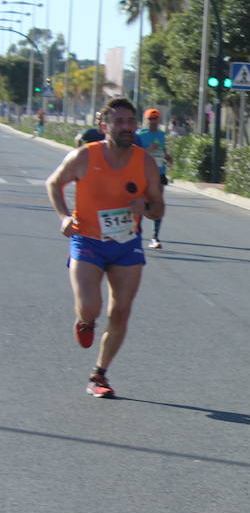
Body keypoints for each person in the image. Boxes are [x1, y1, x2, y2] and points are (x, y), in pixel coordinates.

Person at [44, 97, 165, 399]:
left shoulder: (144, 161)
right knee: (91, 307)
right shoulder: (85, 156)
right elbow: (53, 183)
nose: (127, 127)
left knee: (121, 312)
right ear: (104, 125)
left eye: (130, 122)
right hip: (87, 241)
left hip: (126, 244)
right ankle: (85, 321)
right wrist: (63, 217)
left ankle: (99, 374)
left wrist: (146, 205)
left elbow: (159, 209)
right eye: (119, 122)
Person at [135, 109, 174, 249]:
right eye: (150, 118)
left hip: (159, 173)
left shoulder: (161, 135)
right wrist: (149, 149)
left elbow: (163, 151)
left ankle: (155, 237)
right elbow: (135, 154)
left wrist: (168, 158)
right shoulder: (139, 135)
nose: (153, 121)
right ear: (146, 120)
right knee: (140, 204)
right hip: (143, 173)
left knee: (158, 204)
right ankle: (136, 233)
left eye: (155, 118)